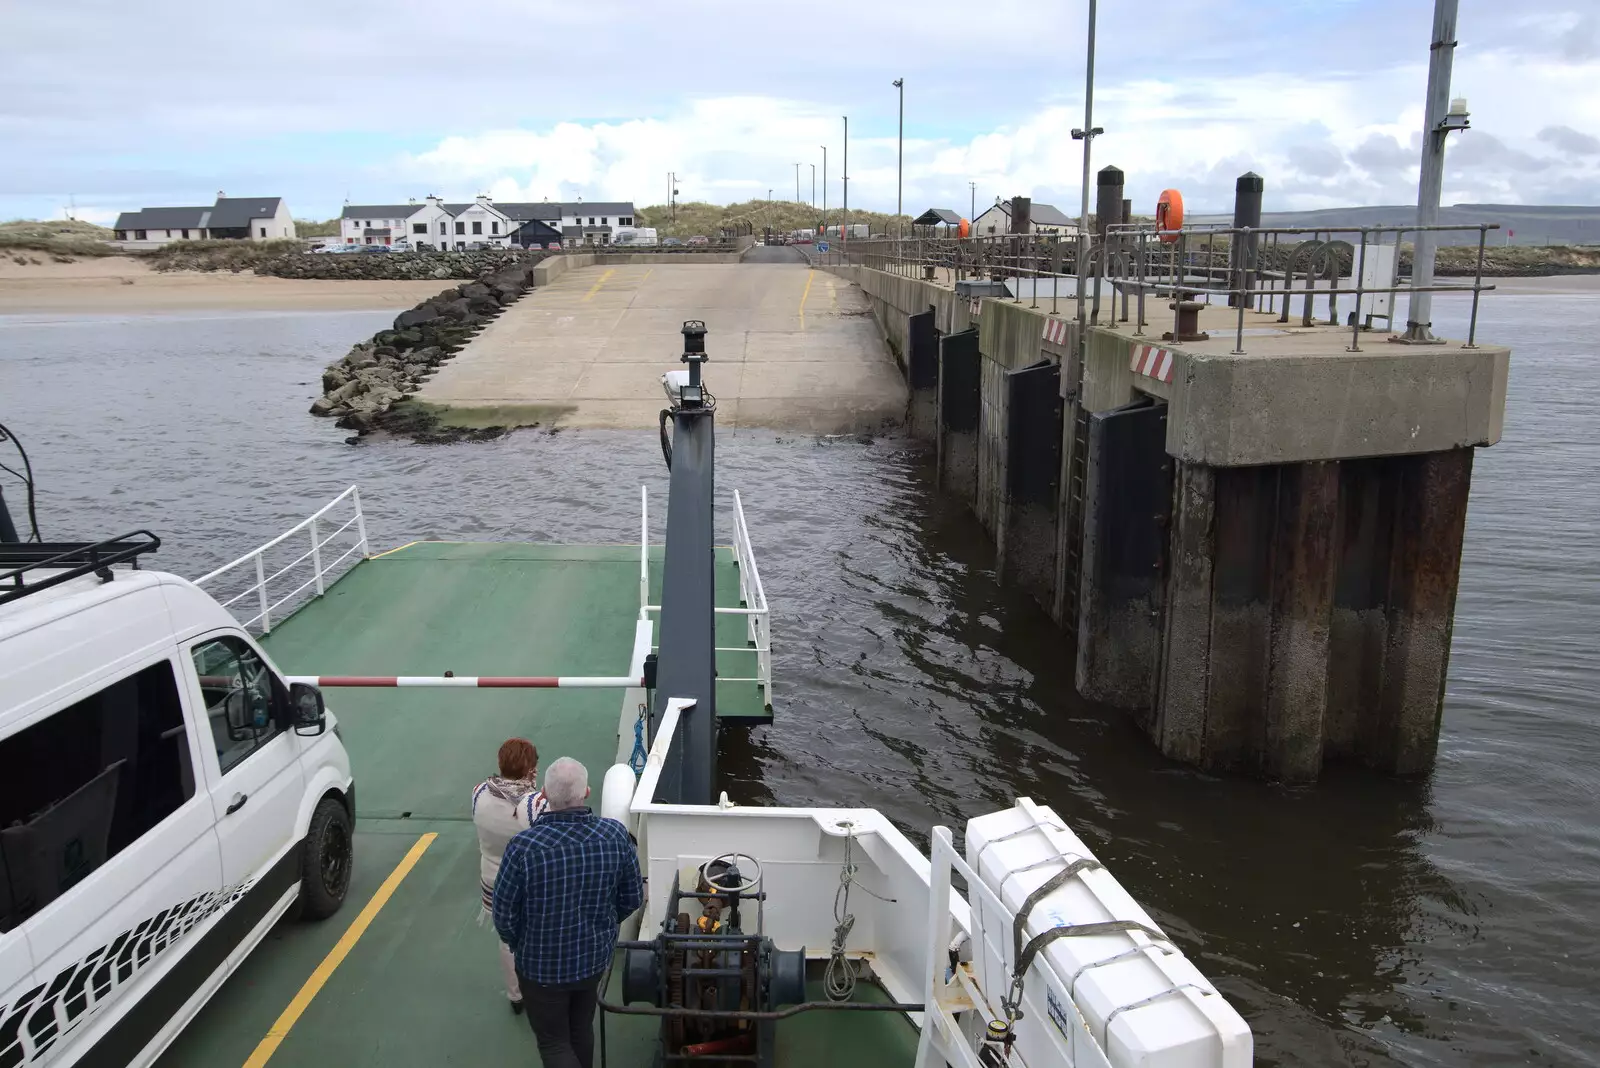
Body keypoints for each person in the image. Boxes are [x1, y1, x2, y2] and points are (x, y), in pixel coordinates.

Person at [493, 757, 643, 1068]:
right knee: (580, 1029)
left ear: (544, 795)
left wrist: (522, 944)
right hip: (592, 960)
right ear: (587, 792)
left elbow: (504, 915)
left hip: (539, 968)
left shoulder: (523, 847)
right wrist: (602, 926)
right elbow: (631, 898)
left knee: (554, 1042)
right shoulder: (614, 836)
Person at [472, 738, 548, 1014]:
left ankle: (515, 995)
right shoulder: (535, 806)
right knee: (537, 935)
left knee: (507, 939)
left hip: (492, 879)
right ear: (530, 770)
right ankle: (539, 987)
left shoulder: (479, 792)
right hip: (527, 882)